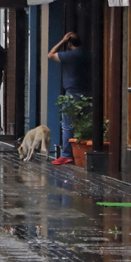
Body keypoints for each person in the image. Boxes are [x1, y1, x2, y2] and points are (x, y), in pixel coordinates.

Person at [48, 31, 89, 165]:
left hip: (72, 93)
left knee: (68, 125)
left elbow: (51, 54)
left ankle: (67, 155)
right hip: (87, 92)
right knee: (83, 123)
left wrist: (62, 41)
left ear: (69, 43)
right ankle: (83, 153)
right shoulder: (86, 54)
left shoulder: (70, 55)